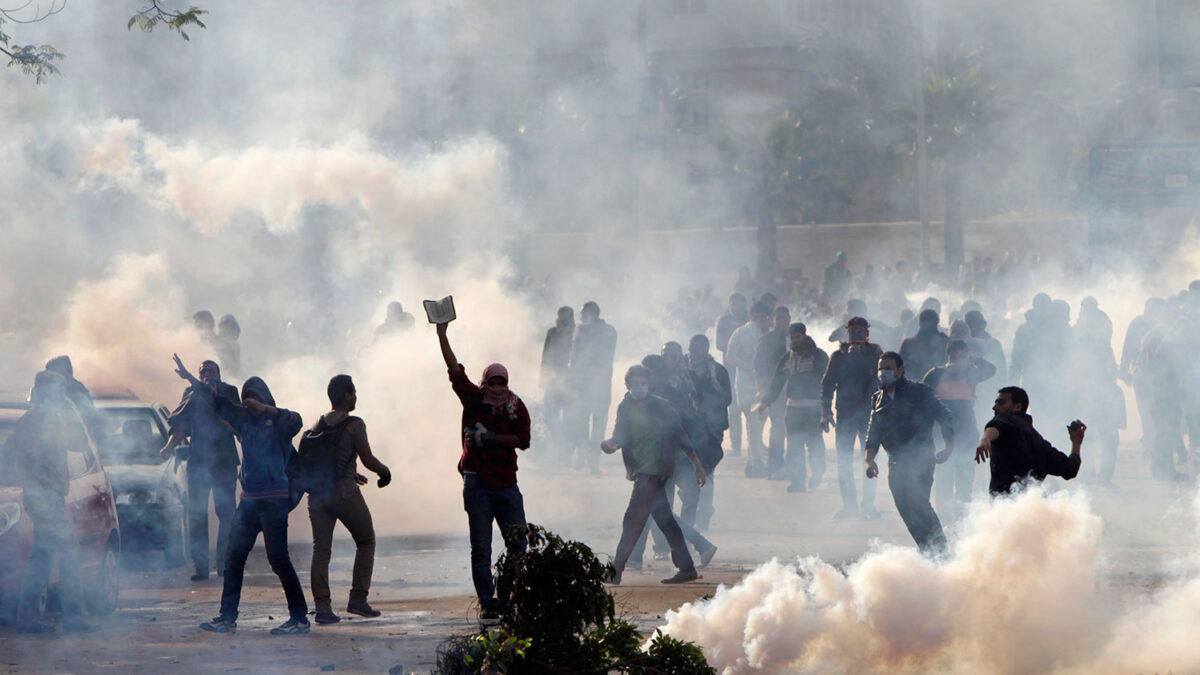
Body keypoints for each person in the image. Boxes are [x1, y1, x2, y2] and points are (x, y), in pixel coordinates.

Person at [172, 357, 308, 636]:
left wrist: (267, 408)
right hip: (249, 500)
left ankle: (299, 618)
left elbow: (297, 420)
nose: (248, 403)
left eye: (253, 398)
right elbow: (216, 399)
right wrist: (190, 379)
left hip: (273, 500)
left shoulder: (278, 421)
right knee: (234, 558)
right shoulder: (243, 420)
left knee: (279, 559)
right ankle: (227, 617)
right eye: (246, 399)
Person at [436, 321, 530, 620]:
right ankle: (488, 601)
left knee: (518, 545)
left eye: (502, 382)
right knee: (481, 546)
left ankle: (507, 594)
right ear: (486, 380)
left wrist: (489, 438)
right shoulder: (475, 398)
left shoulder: (516, 406)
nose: (498, 388)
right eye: (494, 381)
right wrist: (442, 335)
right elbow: (454, 371)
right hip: (477, 482)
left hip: (505, 483)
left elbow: (524, 441)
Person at [602, 365, 712, 585]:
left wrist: (697, 466)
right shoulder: (625, 407)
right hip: (640, 471)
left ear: (649, 384)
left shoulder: (662, 407)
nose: (639, 387)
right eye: (634, 383)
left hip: (655, 471)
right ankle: (687, 568)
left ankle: (616, 571)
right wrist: (611, 444)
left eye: (643, 383)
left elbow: (680, 436)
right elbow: (620, 434)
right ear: (627, 385)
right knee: (665, 520)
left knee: (632, 520)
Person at [3, 371, 92, 633]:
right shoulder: (36, 421)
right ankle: (72, 619)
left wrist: (70, 412)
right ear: (44, 391)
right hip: (43, 496)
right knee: (69, 554)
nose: (61, 395)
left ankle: (29, 620)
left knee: (42, 557)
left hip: (47, 495)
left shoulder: (48, 419)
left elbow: (79, 444)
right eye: (58, 390)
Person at [307, 375, 392, 625]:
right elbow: (368, 459)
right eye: (353, 392)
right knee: (366, 541)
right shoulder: (355, 424)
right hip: (344, 493)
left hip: (317, 496)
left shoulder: (316, 423)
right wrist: (385, 471)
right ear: (346, 395)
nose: (355, 397)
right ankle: (357, 599)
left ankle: (322, 608)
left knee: (321, 552)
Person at [864, 352, 955, 555]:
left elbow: (944, 415)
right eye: (880, 368)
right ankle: (926, 548)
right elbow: (873, 431)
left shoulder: (919, 392)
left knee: (919, 503)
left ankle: (941, 549)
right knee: (904, 506)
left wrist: (948, 446)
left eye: (888, 368)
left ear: (900, 369)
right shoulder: (877, 398)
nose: (883, 373)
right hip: (895, 460)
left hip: (921, 456)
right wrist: (869, 460)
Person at [161, 359, 242, 581]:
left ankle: (224, 564)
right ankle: (201, 567)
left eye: (211, 370)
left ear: (219, 374)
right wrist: (169, 446)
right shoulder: (191, 393)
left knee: (226, 514)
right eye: (203, 371)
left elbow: (239, 423)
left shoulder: (229, 392)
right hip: (199, 462)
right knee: (197, 515)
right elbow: (182, 425)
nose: (207, 374)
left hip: (223, 462)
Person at [921, 341, 995, 522]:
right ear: (948, 356)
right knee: (944, 479)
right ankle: (944, 520)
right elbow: (921, 395)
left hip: (967, 434)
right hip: (941, 436)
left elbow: (992, 369)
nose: (956, 360)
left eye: (961, 356)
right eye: (953, 356)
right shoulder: (935, 374)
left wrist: (973, 360)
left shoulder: (971, 374)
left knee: (964, 479)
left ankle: (962, 520)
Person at [821, 317, 882, 519]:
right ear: (847, 334)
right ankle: (849, 507)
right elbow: (828, 384)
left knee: (869, 459)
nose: (856, 337)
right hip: (845, 414)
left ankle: (868, 505)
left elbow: (884, 383)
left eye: (861, 332)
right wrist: (826, 411)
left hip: (870, 415)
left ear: (867, 334)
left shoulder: (876, 355)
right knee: (844, 461)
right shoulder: (838, 357)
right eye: (853, 332)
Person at [756, 327, 829, 493]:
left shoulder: (819, 356)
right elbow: (777, 383)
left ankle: (817, 472)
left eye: (797, 337)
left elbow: (828, 381)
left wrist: (827, 406)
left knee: (814, 443)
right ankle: (798, 482)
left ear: (804, 336)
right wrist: (765, 403)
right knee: (794, 446)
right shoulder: (786, 358)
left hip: (813, 407)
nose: (794, 341)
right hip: (793, 408)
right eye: (792, 338)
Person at [975, 386, 1085, 494]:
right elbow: (1070, 469)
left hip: (1004, 507)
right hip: (1029, 507)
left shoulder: (1005, 418)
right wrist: (1076, 443)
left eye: (1001, 403)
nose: (995, 407)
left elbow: (997, 425)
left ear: (1017, 407)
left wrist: (985, 438)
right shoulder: (1040, 443)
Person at [684, 334, 731, 530]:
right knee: (687, 473)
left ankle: (703, 516)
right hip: (688, 428)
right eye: (692, 350)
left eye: (698, 350)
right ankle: (691, 513)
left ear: (706, 350)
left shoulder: (718, 371)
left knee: (707, 471)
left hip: (711, 429)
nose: (694, 354)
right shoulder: (683, 372)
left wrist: (708, 407)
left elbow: (728, 398)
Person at [568, 301, 618, 473]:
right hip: (587, 383)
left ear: (591, 313)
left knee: (597, 422)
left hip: (598, 382)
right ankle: (585, 455)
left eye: (583, 313)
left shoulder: (603, 331)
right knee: (583, 421)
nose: (580, 317)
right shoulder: (587, 329)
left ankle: (593, 458)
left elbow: (580, 357)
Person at [726, 302, 773, 475]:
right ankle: (755, 463)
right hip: (747, 385)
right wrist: (749, 366)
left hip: (763, 385)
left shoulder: (769, 334)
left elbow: (729, 357)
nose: (768, 321)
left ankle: (754, 462)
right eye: (766, 317)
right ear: (758, 316)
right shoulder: (741, 333)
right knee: (754, 425)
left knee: (756, 426)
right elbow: (730, 357)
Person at [755, 306, 793, 479]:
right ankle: (775, 467)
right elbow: (759, 365)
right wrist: (762, 388)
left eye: (784, 318)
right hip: (775, 389)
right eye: (778, 318)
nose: (781, 321)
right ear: (773, 320)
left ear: (789, 319)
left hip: (794, 390)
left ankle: (791, 466)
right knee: (778, 427)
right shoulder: (767, 339)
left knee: (791, 428)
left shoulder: (796, 338)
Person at [541, 306, 575, 464]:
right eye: (560, 315)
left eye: (565, 316)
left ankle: (567, 453)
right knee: (550, 415)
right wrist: (544, 377)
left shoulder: (577, 333)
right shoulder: (552, 332)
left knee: (569, 417)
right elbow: (546, 354)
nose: (562, 319)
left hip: (569, 381)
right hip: (552, 380)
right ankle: (557, 447)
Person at [716, 293, 749, 455]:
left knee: (751, 405)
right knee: (734, 407)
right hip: (730, 368)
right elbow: (719, 344)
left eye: (739, 304)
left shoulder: (750, 319)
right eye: (733, 304)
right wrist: (735, 348)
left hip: (749, 369)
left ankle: (754, 441)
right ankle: (736, 444)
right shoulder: (724, 321)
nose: (736, 307)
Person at [43, 355, 102, 440]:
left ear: (68, 373)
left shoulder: (77, 395)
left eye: (59, 373)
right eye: (51, 375)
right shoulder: (48, 394)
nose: (54, 378)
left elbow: (90, 420)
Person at [899, 309, 949, 385]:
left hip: (940, 386)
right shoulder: (909, 343)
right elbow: (899, 366)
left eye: (930, 321)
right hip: (914, 386)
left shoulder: (945, 342)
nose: (927, 324)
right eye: (925, 321)